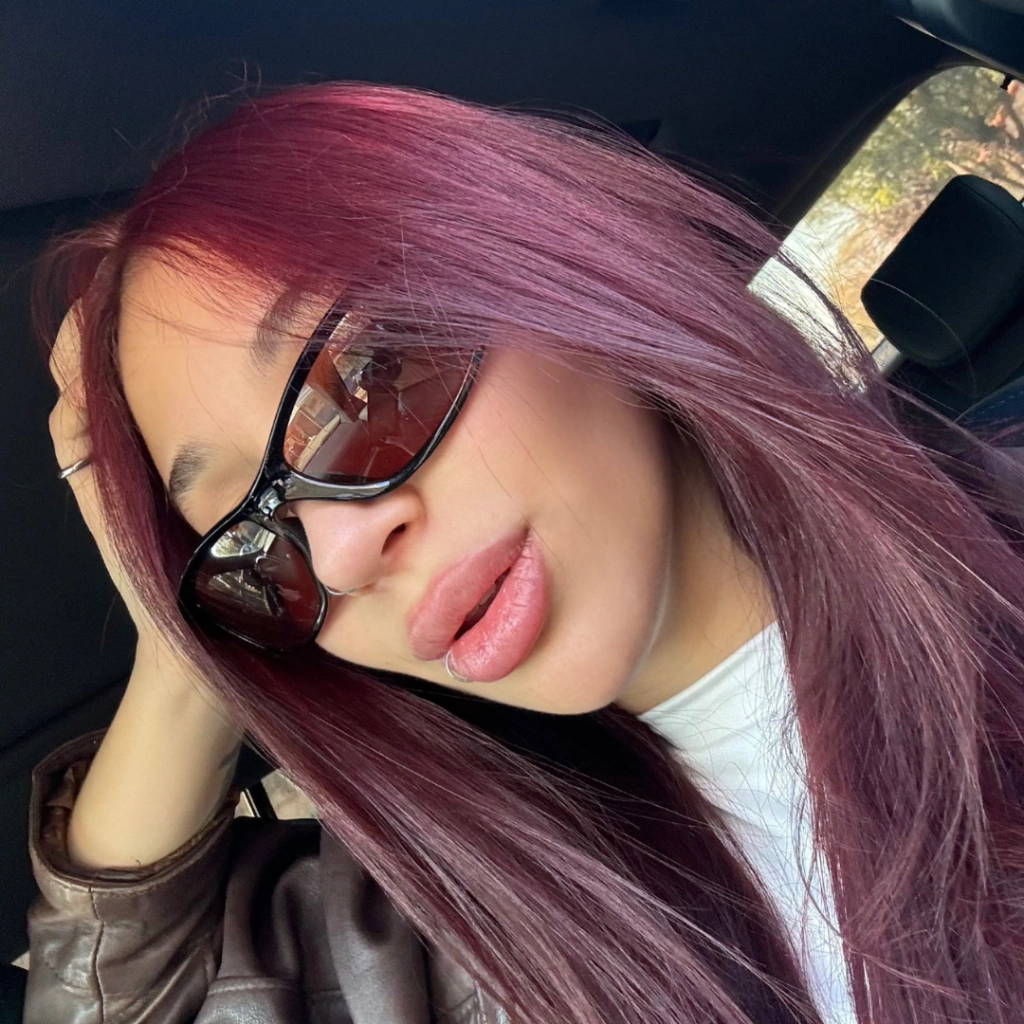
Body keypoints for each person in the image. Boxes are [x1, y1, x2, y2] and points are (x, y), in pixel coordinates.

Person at [26, 82, 1024, 1024]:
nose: (338, 553)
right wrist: (184, 649)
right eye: (252, 535)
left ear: (556, 261)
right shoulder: (463, 927)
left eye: (367, 379)